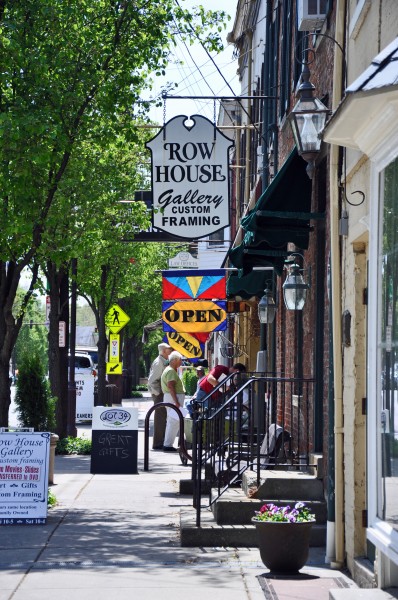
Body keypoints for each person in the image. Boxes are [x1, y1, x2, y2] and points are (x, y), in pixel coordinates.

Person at [147, 342, 172, 450]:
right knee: (160, 419)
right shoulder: (159, 362)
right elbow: (151, 381)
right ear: (163, 351)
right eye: (168, 349)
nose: (170, 351)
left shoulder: (163, 361)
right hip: (159, 394)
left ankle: (160, 442)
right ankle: (158, 443)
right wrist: (158, 393)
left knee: (162, 418)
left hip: (162, 393)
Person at [161, 351, 185, 452]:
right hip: (173, 398)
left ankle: (169, 443)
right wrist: (176, 401)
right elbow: (170, 386)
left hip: (171, 398)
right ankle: (168, 445)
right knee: (174, 421)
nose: (181, 362)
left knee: (173, 421)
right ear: (175, 360)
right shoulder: (171, 371)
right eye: (180, 360)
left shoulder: (169, 370)